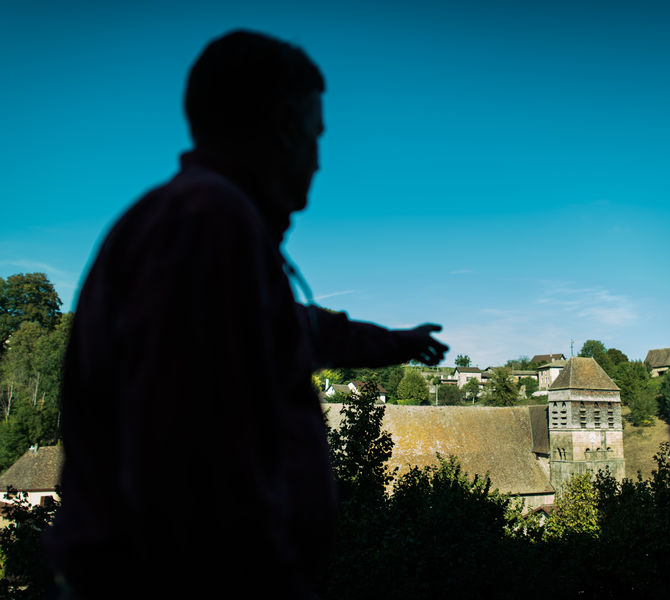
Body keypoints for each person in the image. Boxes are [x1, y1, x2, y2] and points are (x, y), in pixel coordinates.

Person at [45, 30, 447, 599]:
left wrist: (396, 343)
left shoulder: (201, 221)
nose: (319, 160)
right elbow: (187, 453)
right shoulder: (207, 223)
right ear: (281, 126)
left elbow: (299, 330)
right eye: (315, 134)